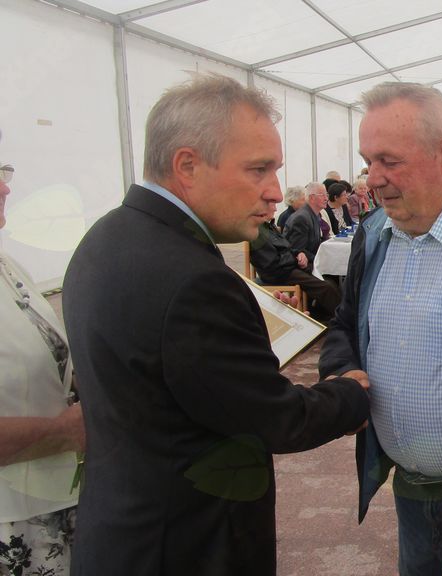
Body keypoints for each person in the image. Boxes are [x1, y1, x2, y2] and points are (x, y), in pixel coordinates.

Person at [62, 75, 369, 574]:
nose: (274, 192)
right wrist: (351, 394)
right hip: (186, 546)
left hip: (123, 528)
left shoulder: (107, 236)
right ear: (187, 165)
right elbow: (273, 418)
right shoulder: (193, 280)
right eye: (258, 169)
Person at [317, 82, 442, 576]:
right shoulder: (373, 233)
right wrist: (343, 370)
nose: (372, 179)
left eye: (389, 161)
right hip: (410, 486)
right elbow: (345, 323)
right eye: (368, 162)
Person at [0, 160, 84, 576]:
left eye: (3, 173)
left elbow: (48, 360)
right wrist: (62, 432)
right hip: (12, 521)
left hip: (54, 500)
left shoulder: (8, 265)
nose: (6, 189)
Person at [249, 218, 342, 321]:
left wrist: (299, 254)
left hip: (289, 267)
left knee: (329, 277)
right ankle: (342, 320)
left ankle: (325, 315)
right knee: (327, 287)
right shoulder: (257, 231)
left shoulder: (268, 226)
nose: (275, 210)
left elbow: (287, 248)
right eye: (272, 207)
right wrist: (295, 258)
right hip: (280, 274)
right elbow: (271, 263)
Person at [286, 181, 329, 262]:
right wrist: (321, 260)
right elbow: (298, 250)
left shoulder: (313, 214)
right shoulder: (302, 218)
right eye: (322, 195)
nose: (326, 199)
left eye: (326, 195)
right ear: (312, 198)